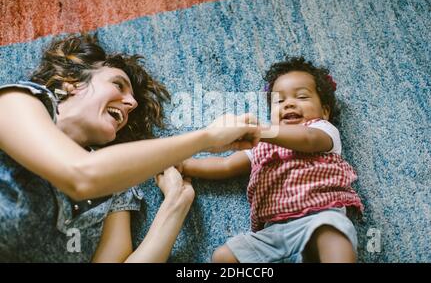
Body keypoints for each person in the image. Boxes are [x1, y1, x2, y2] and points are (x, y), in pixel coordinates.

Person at [0, 34, 259, 262]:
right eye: (118, 84)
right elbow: (82, 175)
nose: (132, 103)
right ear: (72, 82)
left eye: (132, 99)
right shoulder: (18, 101)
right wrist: (206, 138)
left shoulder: (119, 189)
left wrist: (176, 202)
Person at [181, 57, 364, 263]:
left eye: (302, 97)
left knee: (333, 235)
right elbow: (226, 164)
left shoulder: (322, 129)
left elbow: (308, 139)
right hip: (273, 233)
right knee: (223, 256)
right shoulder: (261, 145)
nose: (289, 104)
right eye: (279, 101)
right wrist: (185, 165)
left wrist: (262, 130)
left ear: (325, 111)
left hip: (320, 216)